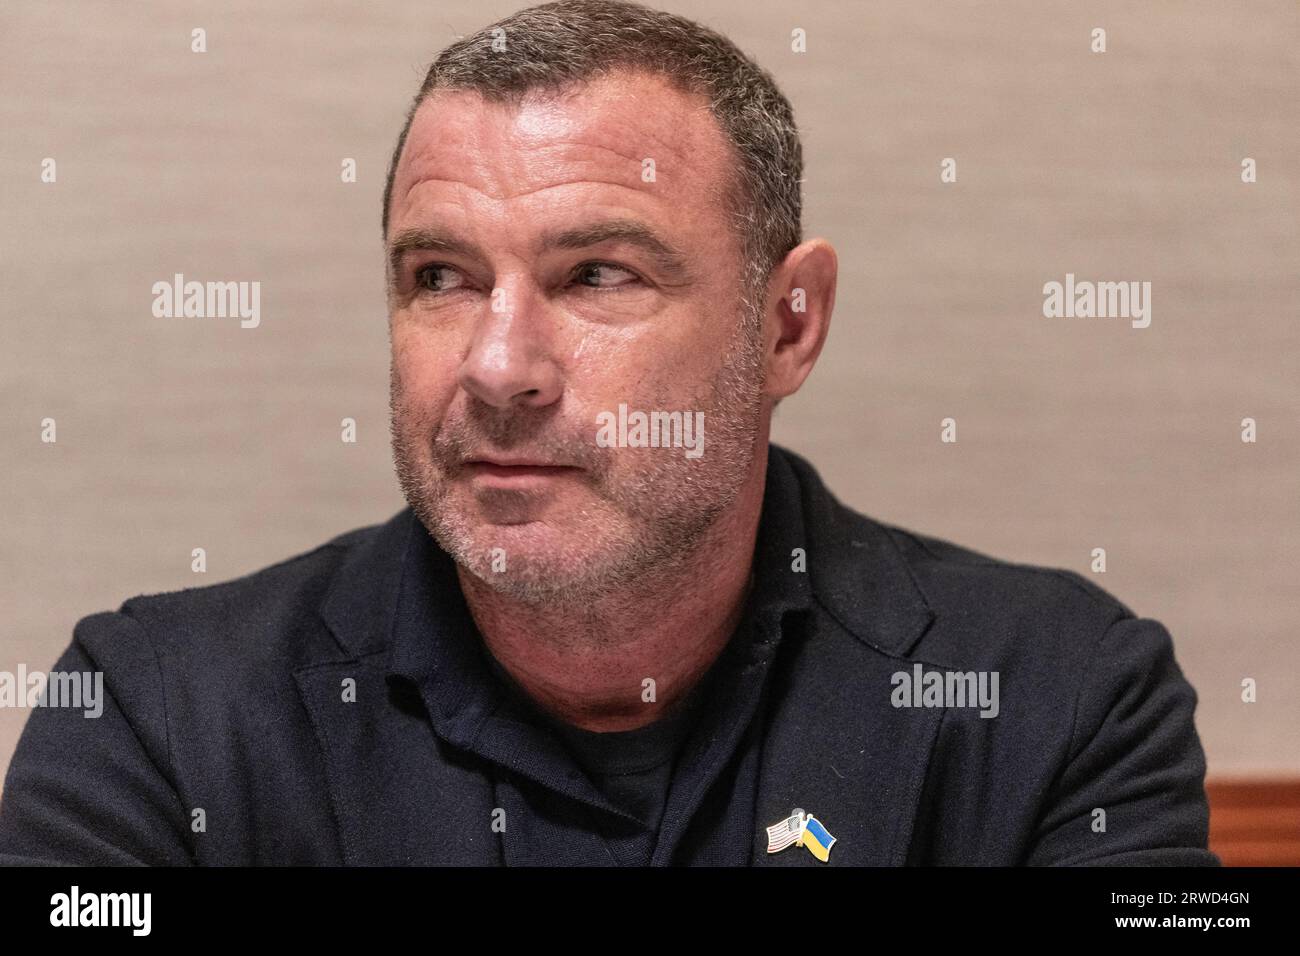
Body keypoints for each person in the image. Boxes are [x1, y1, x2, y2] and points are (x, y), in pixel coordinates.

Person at [0, 0, 1216, 866]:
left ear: (787, 325)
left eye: (595, 274)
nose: (496, 366)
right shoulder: (158, 717)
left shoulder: (1062, 700)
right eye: (439, 276)